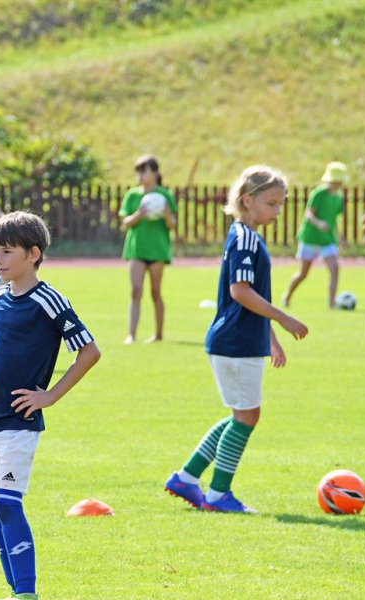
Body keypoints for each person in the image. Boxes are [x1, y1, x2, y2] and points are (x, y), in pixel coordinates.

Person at [164, 165, 308, 514]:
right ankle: (218, 494)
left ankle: (187, 477)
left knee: (241, 415)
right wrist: (283, 317)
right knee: (246, 416)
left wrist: (270, 336)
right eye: (272, 203)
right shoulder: (244, 237)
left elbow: (252, 293)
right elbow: (240, 291)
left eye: (281, 204)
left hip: (241, 340)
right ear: (248, 199)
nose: (277, 211)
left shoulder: (248, 236)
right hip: (235, 342)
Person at [0, 211, 101, 600]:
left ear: (33, 254)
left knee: (9, 504)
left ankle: (27, 594)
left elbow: (89, 351)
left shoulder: (49, 300)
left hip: (19, 424)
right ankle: (14, 595)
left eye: (7, 251)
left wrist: (49, 396)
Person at [118, 155, 178, 344]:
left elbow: (172, 225)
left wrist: (167, 214)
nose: (141, 175)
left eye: (144, 171)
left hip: (157, 250)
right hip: (137, 249)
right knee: (135, 291)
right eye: (139, 171)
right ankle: (131, 335)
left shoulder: (164, 196)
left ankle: (158, 334)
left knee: (155, 291)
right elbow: (125, 222)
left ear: (155, 173)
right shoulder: (133, 195)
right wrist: (138, 215)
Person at [282, 162, 348, 309]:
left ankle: (331, 303)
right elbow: (308, 214)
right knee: (303, 273)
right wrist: (318, 223)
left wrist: (340, 237)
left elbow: (334, 220)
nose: (337, 185)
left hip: (327, 240)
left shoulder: (338, 198)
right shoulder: (318, 194)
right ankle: (287, 296)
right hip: (310, 238)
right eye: (335, 181)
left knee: (334, 269)